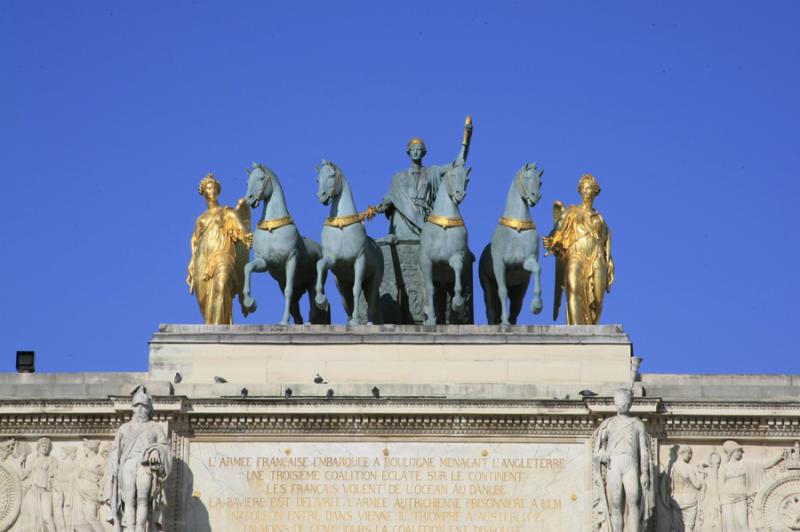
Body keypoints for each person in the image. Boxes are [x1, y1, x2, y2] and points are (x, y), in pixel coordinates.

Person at [372, 118, 472, 240]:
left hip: (424, 219)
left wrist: (466, 141)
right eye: (413, 149)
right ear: (408, 152)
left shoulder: (432, 172)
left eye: (418, 149)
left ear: (423, 152)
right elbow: (392, 195)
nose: (415, 152)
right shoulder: (398, 177)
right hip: (403, 217)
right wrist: (382, 205)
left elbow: (457, 163)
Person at [543, 173, 614, 324]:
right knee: (573, 287)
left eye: (589, 189)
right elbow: (557, 230)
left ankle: (590, 328)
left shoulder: (600, 218)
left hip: (596, 256)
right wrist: (552, 241)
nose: (586, 192)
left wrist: (609, 263)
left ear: (595, 192)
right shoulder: (571, 212)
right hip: (576, 253)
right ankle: (576, 329)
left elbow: (605, 244)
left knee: (599, 298)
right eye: (584, 188)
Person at [187, 173, 253, 324]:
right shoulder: (201, 219)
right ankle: (212, 328)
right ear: (203, 192)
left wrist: (248, 236)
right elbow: (195, 243)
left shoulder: (227, 211)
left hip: (224, 253)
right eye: (208, 188)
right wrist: (192, 264)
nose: (211, 191)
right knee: (203, 297)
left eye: (214, 188)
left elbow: (241, 227)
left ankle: (217, 331)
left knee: (222, 285)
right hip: (203, 259)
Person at [106, 386, 172, 532]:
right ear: (133, 408)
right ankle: (130, 528)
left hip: (145, 465)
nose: (141, 410)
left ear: (149, 409)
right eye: (137, 406)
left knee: (143, 498)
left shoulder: (156, 427)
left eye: (144, 406)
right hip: (127, 464)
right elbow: (115, 452)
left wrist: (156, 451)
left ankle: (140, 528)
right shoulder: (124, 428)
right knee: (128, 498)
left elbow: (165, 448)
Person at [593, 388, 653, 532]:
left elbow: (644, 451)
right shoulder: (609, 423)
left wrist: (644, 472)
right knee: (615, 503)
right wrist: (603, 455)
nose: (622, 406)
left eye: (624, 402)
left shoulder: (637, 424)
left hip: (631, 464)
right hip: (614, 464)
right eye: (619, 402)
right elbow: (598, 448)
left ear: (629, 404)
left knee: (634, 500)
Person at [718, 440, 786, 531]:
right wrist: (719, 502)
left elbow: (764, 464)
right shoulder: (723, 467)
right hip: (727, 498)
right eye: (738, 450)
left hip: (741, 497)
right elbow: (720, 486)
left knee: (744, 525)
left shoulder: (745, 464)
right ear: (732, 452)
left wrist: (779, 457)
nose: (740, 453)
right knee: (729, 526)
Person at [663, 445, 704, 531]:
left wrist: (665, 499)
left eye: (691, 454)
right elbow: (697, 485)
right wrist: (701, 475)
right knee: (688, 527)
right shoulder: (688, 468)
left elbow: (664, 483)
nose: (690, 456)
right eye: (689, 453)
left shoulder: (672, 467)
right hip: (690, 501)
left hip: (676, 500)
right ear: (682, 453)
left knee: (677, 528)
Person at [72, 439, 106, 532]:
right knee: (82, 519)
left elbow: (104, 476)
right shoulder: (83, 460)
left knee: (91, 517)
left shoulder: (100, 460)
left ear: (91, 448)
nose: (84, 450)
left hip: (91, 491)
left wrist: (88, 473)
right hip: (80, 490)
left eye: (85, 447)